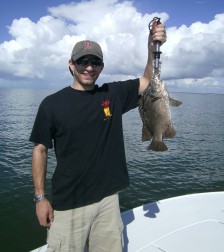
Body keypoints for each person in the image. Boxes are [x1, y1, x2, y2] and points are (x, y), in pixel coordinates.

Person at [30, 22, 166, 252]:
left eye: (95, 62)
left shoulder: (112, 94)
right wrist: (40, 198)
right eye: (83, 61)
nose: (89, 68)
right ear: (71, 64)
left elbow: (147, 81)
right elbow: (40, 150)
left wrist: (153, 47)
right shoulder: (51, 105)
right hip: (69, 205)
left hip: (108, 201)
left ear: (101, 67)